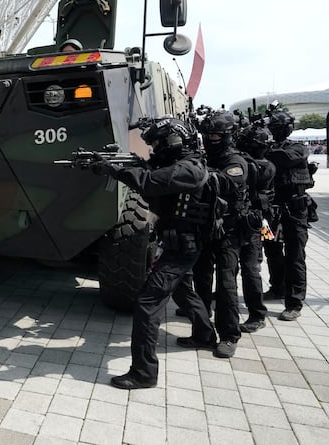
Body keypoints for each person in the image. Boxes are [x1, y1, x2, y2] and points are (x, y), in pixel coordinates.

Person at [88, 117, 216, 389]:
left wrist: (114, 170)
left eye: (158, 142)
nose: (156, 148)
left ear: (174, 141)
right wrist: (129, 162)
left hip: (183, 247)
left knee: (147, 303)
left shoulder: (189, 169)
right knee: (182, 290)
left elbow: (149, 182)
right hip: (179, 244)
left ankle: (144, 372)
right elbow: (152, 174)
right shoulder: (184, 164)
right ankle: (205, 335)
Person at [192, 110, 248, 358]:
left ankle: (229, 335)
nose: (210, 139)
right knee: (201, 280)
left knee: (225, 284)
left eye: (215, 135)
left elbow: (225, 182)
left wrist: (196, 174)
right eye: (207, 134)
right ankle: (202, 332)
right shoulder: (203, 157)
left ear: (227, 136)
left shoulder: (236, 161)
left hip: (229, 230)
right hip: (205, 227)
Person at [263, 109, 312, 320]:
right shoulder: (268, 147)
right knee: (271, 247)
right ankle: (277, 287)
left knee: (295, 255)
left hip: (295, 209)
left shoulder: (297, 148)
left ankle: (294, 302)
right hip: (272, 209)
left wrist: (260, 151)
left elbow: (284, 158)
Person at [235, 123, 276, 332]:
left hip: (249, 221)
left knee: (250, 269)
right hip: (256, 221)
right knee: (244, 267)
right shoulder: (268, 164)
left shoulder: (251, 165)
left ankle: (257, 314)